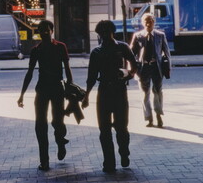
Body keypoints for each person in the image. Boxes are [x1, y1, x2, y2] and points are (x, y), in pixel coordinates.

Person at [82, 20, 138, 173]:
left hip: (120, 91)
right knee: (104, 130)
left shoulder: (122, 47)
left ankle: (124, 152)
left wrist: (128, 75)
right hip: (104, 92)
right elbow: (92, 76)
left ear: (112, 32)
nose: (104, 36)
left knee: (121, 128)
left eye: (106, 32)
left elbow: (134, 65)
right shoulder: (96, 52)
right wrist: (86, 96)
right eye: (101, 33)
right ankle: (109, 161)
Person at [17, 20, 73, 171]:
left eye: (46, 30)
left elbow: (67, 69)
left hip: (57, 89)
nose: (44, 33)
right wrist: (22, 94)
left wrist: (70, 88)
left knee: (58, 121)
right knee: (40, 125)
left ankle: (60, 141)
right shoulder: (36, 50)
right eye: (41, 30)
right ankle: (44, 160)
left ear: (52, 31)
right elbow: (29, 73)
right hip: (42, 90)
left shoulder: (60, 47)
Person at [130, 13, 171, 128]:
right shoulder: (138, 36)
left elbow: (167, 53)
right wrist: (132, 68)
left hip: (157, 68)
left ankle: (158, 114)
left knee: (158, 92)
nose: (148, 23)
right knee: (145, 94)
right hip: (143, 69)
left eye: (150, 21)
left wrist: (168, 68)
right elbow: (131, 53)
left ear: (154, 22)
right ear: (143, 23)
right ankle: (149, 118)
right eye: (146, 21)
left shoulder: (160, 35)